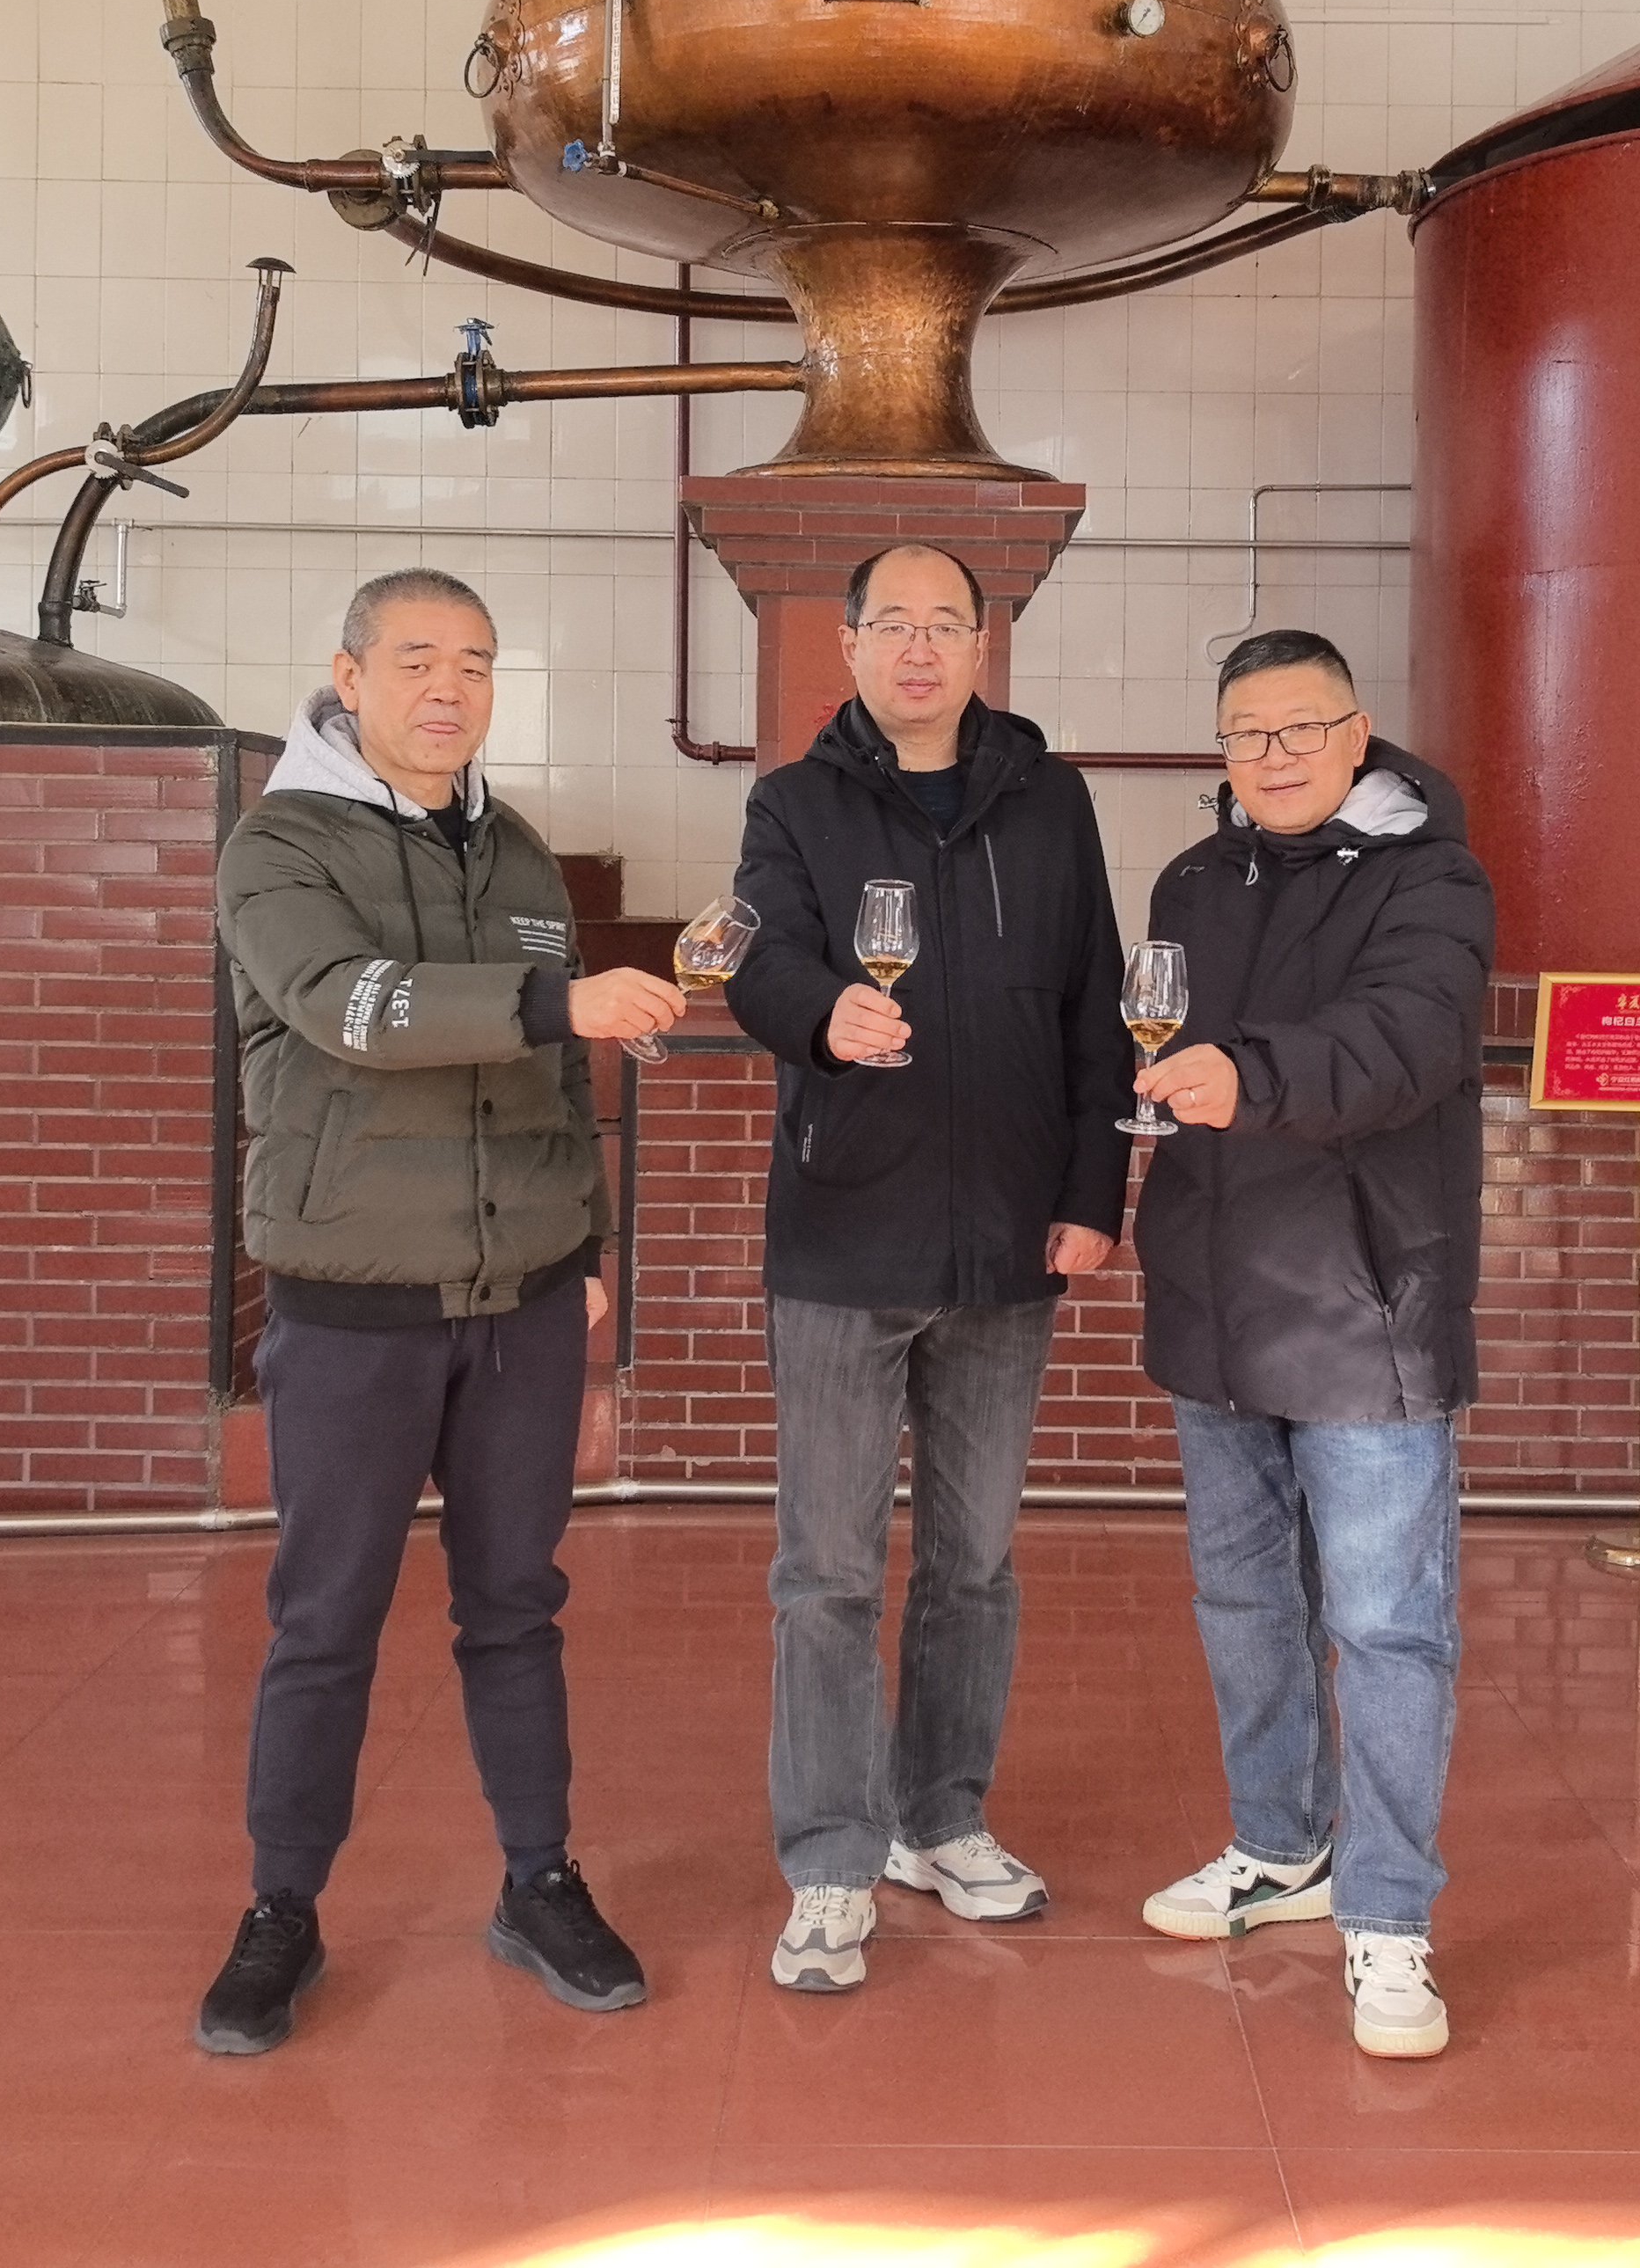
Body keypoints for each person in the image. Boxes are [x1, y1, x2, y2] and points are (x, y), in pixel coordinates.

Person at [192, 568, 690, 2056]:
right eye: (416, 660)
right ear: (348, 676)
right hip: (355, 1304)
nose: (448, 688)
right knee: (325, 1619)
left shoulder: (514, 849)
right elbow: (348, 1006)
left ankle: (539, 1882)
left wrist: (586, 1247)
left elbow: (554, 1086)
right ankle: (282, 1909)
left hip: (521, 1299)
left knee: (516, 1606)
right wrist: (561, 1003)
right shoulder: (278, 844)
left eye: (474, 663)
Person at [723, 541, 1136, 1995]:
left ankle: (940, 1817)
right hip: (846, 1237)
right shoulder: (794, 802)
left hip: (1010, 1239)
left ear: (980, 645)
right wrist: (821, 1013)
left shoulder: (1050, 798)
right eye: (890, 624)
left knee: (973, 1564)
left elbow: (1096, 1004)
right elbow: (756, 960)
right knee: (828, 1572)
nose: (917, 648)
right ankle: (832, 1859)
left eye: (943, 624)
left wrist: (1092, 1193)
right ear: (848, 646)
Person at [1124, 627, 1495, 2061]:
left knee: (1389, 1624)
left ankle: (1390, 1917)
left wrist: (1249, 1075)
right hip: (1214, 1294)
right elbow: (1151, 1050)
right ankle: (1280, 1845)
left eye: (1299, 729)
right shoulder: (1192, 880)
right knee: (1243, 1599)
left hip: (1366, 1300)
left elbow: (1408, 1040)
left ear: (1356, 733)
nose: (1272, 757)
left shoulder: (1433, 878)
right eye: (1246, 734)